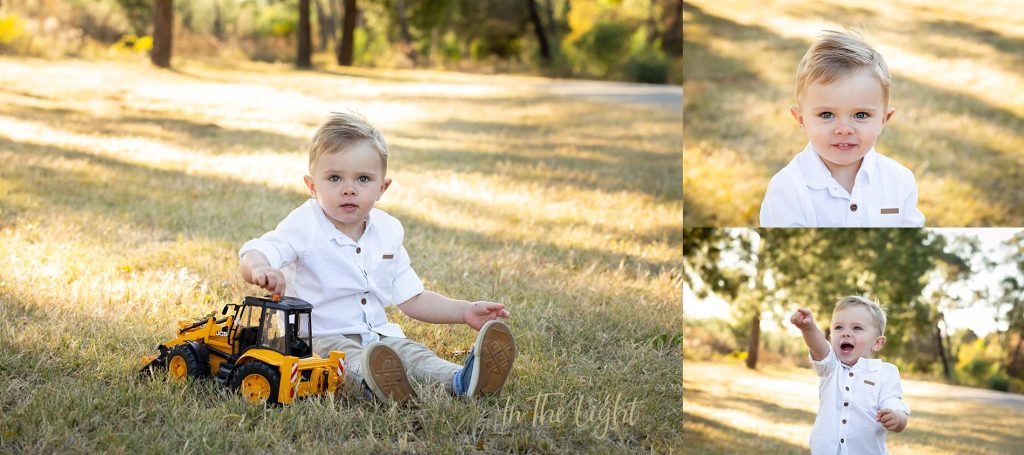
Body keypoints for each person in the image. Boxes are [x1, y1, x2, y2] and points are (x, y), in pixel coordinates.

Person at [238, 112, 516, 404]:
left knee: (412, 352)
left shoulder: (388, 230)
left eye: (363, 179)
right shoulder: (305, 224)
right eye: (334, 178)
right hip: (320, 337)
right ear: (312, 185)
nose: (349, 188)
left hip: (378, 337)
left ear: (382, 188)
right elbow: (257, 250)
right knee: (347, 362)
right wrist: (260, 267)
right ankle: (376, 386)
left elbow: (412, 298)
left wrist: (464, 311)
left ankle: (463, 379)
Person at [760, 29, 925, 227]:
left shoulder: (899, 181)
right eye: (827, 115)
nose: (844, 129)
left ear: (884, 119)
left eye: (861, 115)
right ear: (801, 119)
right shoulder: (788, 188)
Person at [790, 296, 910, 454]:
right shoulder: (831, 366)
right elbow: (819, 347)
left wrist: (897, 418)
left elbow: (894, 404)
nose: (845, 333)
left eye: (857, 328)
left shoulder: (885, 372)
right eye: (838, 327)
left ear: (877, 343)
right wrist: (808, 328)